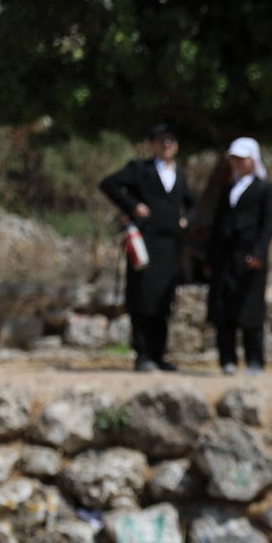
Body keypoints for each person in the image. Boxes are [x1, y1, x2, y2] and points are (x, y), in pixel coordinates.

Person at [98, 124, 197, 372]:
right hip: (145, 243)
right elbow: (109, 184)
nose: (167, 145)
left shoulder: (179, 173)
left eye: (171, 140)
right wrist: (133, 206)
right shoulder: (139, 169)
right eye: (161, 140)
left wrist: (187, 220)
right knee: (141, 297)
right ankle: (142, 354)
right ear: (152, 144)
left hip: (170, 245)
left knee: (164, 299)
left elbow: (192, 203)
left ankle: (158, 354)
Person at [206, 137, 272, 374]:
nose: (237, 163)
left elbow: (269, 224)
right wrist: (209, 258)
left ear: (253, 160)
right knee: (223, 307)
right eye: (234, 159)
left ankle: (255, 360)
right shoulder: (227, 189)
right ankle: (227, 359)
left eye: (241, 158)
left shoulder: (266, 189)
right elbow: (217, 225)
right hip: (225, 258)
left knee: (250, 308)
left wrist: (258, 252)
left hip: (250, 258)